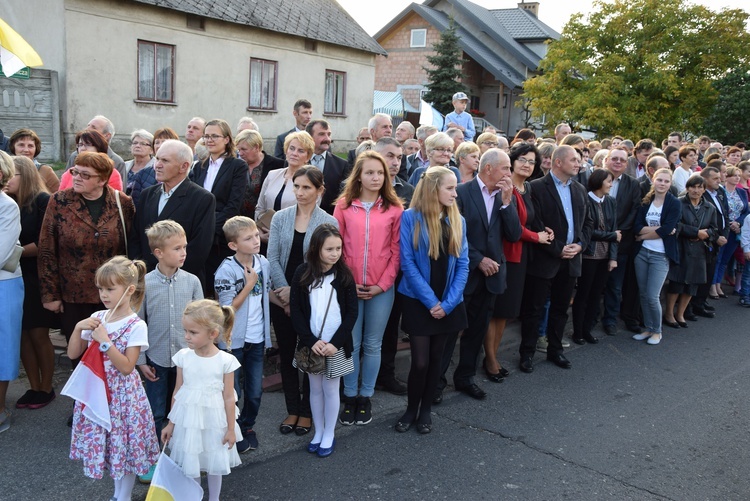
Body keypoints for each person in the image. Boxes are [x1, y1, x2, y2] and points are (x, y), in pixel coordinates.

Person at [66, 257, 159, 500]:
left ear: (129, 289)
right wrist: (78, 327)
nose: (104, 294)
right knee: (111, 446)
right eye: (100, 288)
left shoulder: (136, 325)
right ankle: (117, 494)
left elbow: (128, 367)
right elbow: (73, 353)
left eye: (110, 288)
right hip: (98, 392)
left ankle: (124, 495)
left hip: (123, 397)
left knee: (124, 447)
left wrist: (105, 341)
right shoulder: (98, 316)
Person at [439, 148, 521, 400]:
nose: (510, 173)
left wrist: (508, 204)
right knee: (450, 333)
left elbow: (515, 235)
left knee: (477, 330)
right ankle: (436, 384)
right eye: (506, 168)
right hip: (465, 276)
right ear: (489, 168)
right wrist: (477, 259)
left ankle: (465, 378)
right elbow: (452, 233)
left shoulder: (507, 196)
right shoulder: (462, 192)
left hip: (493, 276)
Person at [40, 152, 134, 356]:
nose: (76, 177)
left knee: (112, 354)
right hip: (73, 295)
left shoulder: (122, 203)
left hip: (113, 294)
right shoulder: (59, 201)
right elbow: (47, 249)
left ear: (102, 180)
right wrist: (50, 294)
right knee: (79, 355)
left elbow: (130, 250)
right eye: (75, 172)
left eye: (85, 175)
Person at [266, 167, 338, 436]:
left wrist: (296, 297)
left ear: (320, 190)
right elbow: (272, 257)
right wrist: (284, 291)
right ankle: (292, 409)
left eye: (307, 187)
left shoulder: (328, 222)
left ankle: (308, 412)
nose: (300, 192)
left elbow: (326, 263)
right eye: (296, 186)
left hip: (312, 299)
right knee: (286, 354)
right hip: (281, 296)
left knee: (309, 353)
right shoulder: (281, 218)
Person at [396, 167, 468, 432]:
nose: (455, 193)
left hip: (448, 301)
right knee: (421, 362)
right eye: (450, 188)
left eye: (455, 188)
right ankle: (410, 409)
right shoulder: (410, 218)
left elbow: (463, 265)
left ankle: (425, 411)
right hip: (418, 300)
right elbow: (408, 264)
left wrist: (448, 304)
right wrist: (431, 303)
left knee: (436, 361)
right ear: (433, 188)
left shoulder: (458, 220)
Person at [334, 151, 403, 425]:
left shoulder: (394, 209)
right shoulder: (343, 206)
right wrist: (347, 283)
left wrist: (381, 285)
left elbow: (397, 252)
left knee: (373, 345)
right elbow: (335, 247)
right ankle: (349, 396)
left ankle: (365, 397)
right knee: (352, 343)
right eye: (370, 172)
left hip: (381, 290)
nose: (376, 177)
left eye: (380, 173)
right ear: (359, 176)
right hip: (348, 286)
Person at [135, 220, 203, 483]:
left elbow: (202, 320)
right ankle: (154, 459)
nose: (183, 253)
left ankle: (181, 457)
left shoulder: (193, 281)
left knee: (185, 409)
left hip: (187, 360)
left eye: (184, 247)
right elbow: (138, 323)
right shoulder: (145, 283)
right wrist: (140, 360)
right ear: (158, 253)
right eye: (177, 248)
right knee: (155, 410)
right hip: (157, 359)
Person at [519, 145, 593, 373]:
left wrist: (579, 246)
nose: (578, 163)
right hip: (545, 259)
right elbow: (535, 223)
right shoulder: (537, 187)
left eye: (579, 160)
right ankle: (527, 353)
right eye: (573, 159)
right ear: (558, 162)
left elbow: (588, 223)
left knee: (561, 308)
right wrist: (558, 249)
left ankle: (555, 349)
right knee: (534, 309)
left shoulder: (580, 189)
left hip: (571, 259)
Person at [160, 299, 242, 501]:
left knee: (215, 461)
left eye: (193, 332)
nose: (186, 336)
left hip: (215, 421)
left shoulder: (225, 361)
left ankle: (214, 499)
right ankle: (194, 497)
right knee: (191, 459)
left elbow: (229, 397)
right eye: (185, 331)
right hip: (189, 420)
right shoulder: (183, 357)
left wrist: (230, 429)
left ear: (213, 334)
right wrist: (171, 423)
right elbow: (178, 391)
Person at [484, 143, 551, 381]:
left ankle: (493, 355)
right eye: (523, 159)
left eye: (532, 161)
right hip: (504, 254)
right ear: (512, 161)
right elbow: (513, 227)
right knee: (496, 311)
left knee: (506, 312)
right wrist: (536, 236)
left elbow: (530, 220)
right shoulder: (507, 188)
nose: (527, 164)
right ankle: (490, 359)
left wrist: (544, 230)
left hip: (520, 258)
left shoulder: (527, 189)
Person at [290, 224, 357, 456]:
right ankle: (318, 431)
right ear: (316, 248)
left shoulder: (344, 275)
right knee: (314, 388)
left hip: (334, 346)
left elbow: (351, 314)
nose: (335, 253)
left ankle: (330, 432)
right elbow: (297, 311)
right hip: (312, 345)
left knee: (331, 388)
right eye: (329, 248)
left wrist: (335, 343)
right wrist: (310, 340)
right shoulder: (302, 273)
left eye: (338, 248)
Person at [215, 216, 277, 454]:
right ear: (233, 245)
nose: (255, 241)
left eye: (255, 235)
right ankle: (232, 430)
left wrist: (284, 302)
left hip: (257, 339)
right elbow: (227, 309)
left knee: (254, 392)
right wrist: (249, 284)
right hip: (232, 342)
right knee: (233, 392)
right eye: (248, 238)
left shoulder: (263, 262)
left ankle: (247, 426)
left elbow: (265, 293)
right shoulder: (226, 270)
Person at [6, 157, 58, 410]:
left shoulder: (42, 201)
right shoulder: (9, 202)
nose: (6, 179)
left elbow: (45, 244)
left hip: (36, 276)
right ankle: (33, 387)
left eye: (11, 174)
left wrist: (9, 253)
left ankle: (47, 388)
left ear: (25, 175)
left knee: (38, 333)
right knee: (22, 335)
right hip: (13, 276)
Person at [129, 140, 216, 287]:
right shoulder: (147, 195)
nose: (157, 165)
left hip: (182, 283)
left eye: (165, 160)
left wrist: (168, 275)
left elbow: (199, 248)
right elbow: (136, 238)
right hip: (147, 280)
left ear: (184, 166)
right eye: (157, 158)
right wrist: (144, 273)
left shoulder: (202, 199)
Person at [189, 119, 249, 296]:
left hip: (220, 236)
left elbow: (233, 205)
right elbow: (194, 201)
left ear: (227, 139)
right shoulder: (199, 166)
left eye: (215, 136)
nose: (210, 140)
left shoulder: (237, 166)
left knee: (221, 289)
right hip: (199, 235)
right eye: (206, 136)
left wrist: (210, 228)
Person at [373, 137, 413, 394]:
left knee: (388, 327)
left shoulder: (407, 191)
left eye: (399, 157)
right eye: (389, 155)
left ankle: (385, 375)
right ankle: (350, 379)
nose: (396, 161)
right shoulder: (355, 188)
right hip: (362, 269)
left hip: (393, 270)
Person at [663, 175, 718, 331]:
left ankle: (680, 314)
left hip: (699, 250)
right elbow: (675, 225)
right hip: (681, 247)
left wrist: (706, 234)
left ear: (704, 189)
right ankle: (669, 314)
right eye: (693, 187)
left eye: (700, 187)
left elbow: (715, 229)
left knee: (692, 285)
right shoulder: (678, 203)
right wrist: (695, 232)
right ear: (687, 188)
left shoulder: (710, 207)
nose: (696, 190)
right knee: (677, 283)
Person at [632, 169, 680, 345]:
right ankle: (649, 328)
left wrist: (643, 235)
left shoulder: (674, 203)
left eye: (666, 181)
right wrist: (659, 230)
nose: (662, 183)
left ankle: (657, 332)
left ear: (670, 184)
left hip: (660, 255)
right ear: (653, 180)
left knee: (653, 295)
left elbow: (667, 230)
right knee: (643, 295)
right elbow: (637, 226)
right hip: (642, 253)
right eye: (659, 180)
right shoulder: (646, 201)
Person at [571, 169, 619, 344]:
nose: (611, 185)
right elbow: (587, 231)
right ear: (599, 181)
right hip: (588, 256)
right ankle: (577, 332)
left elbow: (615, 229)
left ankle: (587, 329)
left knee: (596, 295)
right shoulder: (586, 199)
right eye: (608, 181)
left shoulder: (611, 202)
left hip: (605, 256)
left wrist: (613, 257)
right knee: (583, 294)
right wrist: (611, 236)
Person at [601, 147, 644, 336]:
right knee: (596, 284)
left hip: (621, 241)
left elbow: (634, 210)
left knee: (615, 285)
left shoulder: (633, 184)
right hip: (597, 240)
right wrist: (605, 232)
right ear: (607, 160)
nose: (618, 162)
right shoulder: (596, 178)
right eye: (614, 159)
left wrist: (617, 231)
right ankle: (591, 317)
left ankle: (609, 320)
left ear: (627, 164)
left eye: (622, 160)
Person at [256, 131, 315, 242]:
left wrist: (278, 234)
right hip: (263, 237)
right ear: (286, 150)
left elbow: (308, 216)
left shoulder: (312, 181)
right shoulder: (272, 175)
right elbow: (260, 208)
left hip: (292, 240)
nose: (294, 153)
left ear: (308, 156)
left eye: (300, 151)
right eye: (291, 148)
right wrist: (259, 231)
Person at [0, 151, 23, 433]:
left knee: (2, 347)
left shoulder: (6, 207)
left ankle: (0, 407)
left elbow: (2, 251)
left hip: (4, 284)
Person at [711, 166, 748, 299]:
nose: (737, 177)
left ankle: (718, 284)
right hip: (723, 228)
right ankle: (712, 285)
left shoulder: (742, 192)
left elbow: (746, 211)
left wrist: (738, 222)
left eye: (738, 175)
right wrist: (729, 223)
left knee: (725, 259)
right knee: (718, 258)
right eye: (734, 175)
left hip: (736, 229)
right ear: (726, 177)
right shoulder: (720, 192)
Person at [235, 129, 284, 220]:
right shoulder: (236, 165)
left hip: (264, 221)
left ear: (256, 147)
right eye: (238, 150)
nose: (240, 153)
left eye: (244, 149)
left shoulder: (277, 165)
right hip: (239, 221)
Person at [306, 119, 351, 213]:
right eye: (322, 134)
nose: (327, 139)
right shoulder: (299, 162)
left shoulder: (342, 165)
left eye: (329, 134)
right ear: (309, 137)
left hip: (329, 218)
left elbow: (344, 196)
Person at [65, 115, 127, 181]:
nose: (87, 129)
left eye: (93, 127)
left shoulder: (116, 161)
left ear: (106, 136)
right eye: (88, 126)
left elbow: (118, 189)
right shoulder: (75, 155)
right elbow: (65, 183)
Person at [130, 127, 180, 205]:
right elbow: (135, 203)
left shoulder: (181, 172)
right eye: (157, 142)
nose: (159, 146)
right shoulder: (142, 174)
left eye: (164, 142)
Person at [59, 130, 123, 191]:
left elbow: (114, 198)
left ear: (99, 147)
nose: (83, 148)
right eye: (80, 145)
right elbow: (59, 197)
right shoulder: (70, 172)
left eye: (88, 144)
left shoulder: (111, 174)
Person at [8, 128, 59, 192]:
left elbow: (58, 197)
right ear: (13, 147)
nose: (26, 150)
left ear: (36, 148)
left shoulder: (45, 171)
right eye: (21, 145)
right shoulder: (5, 170)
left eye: (30, 146)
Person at [123, 129, 154, 196]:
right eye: (135, 143)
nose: (137, 146)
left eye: (143, 144)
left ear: (151, 150)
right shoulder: (124, 165)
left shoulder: (156, 167)